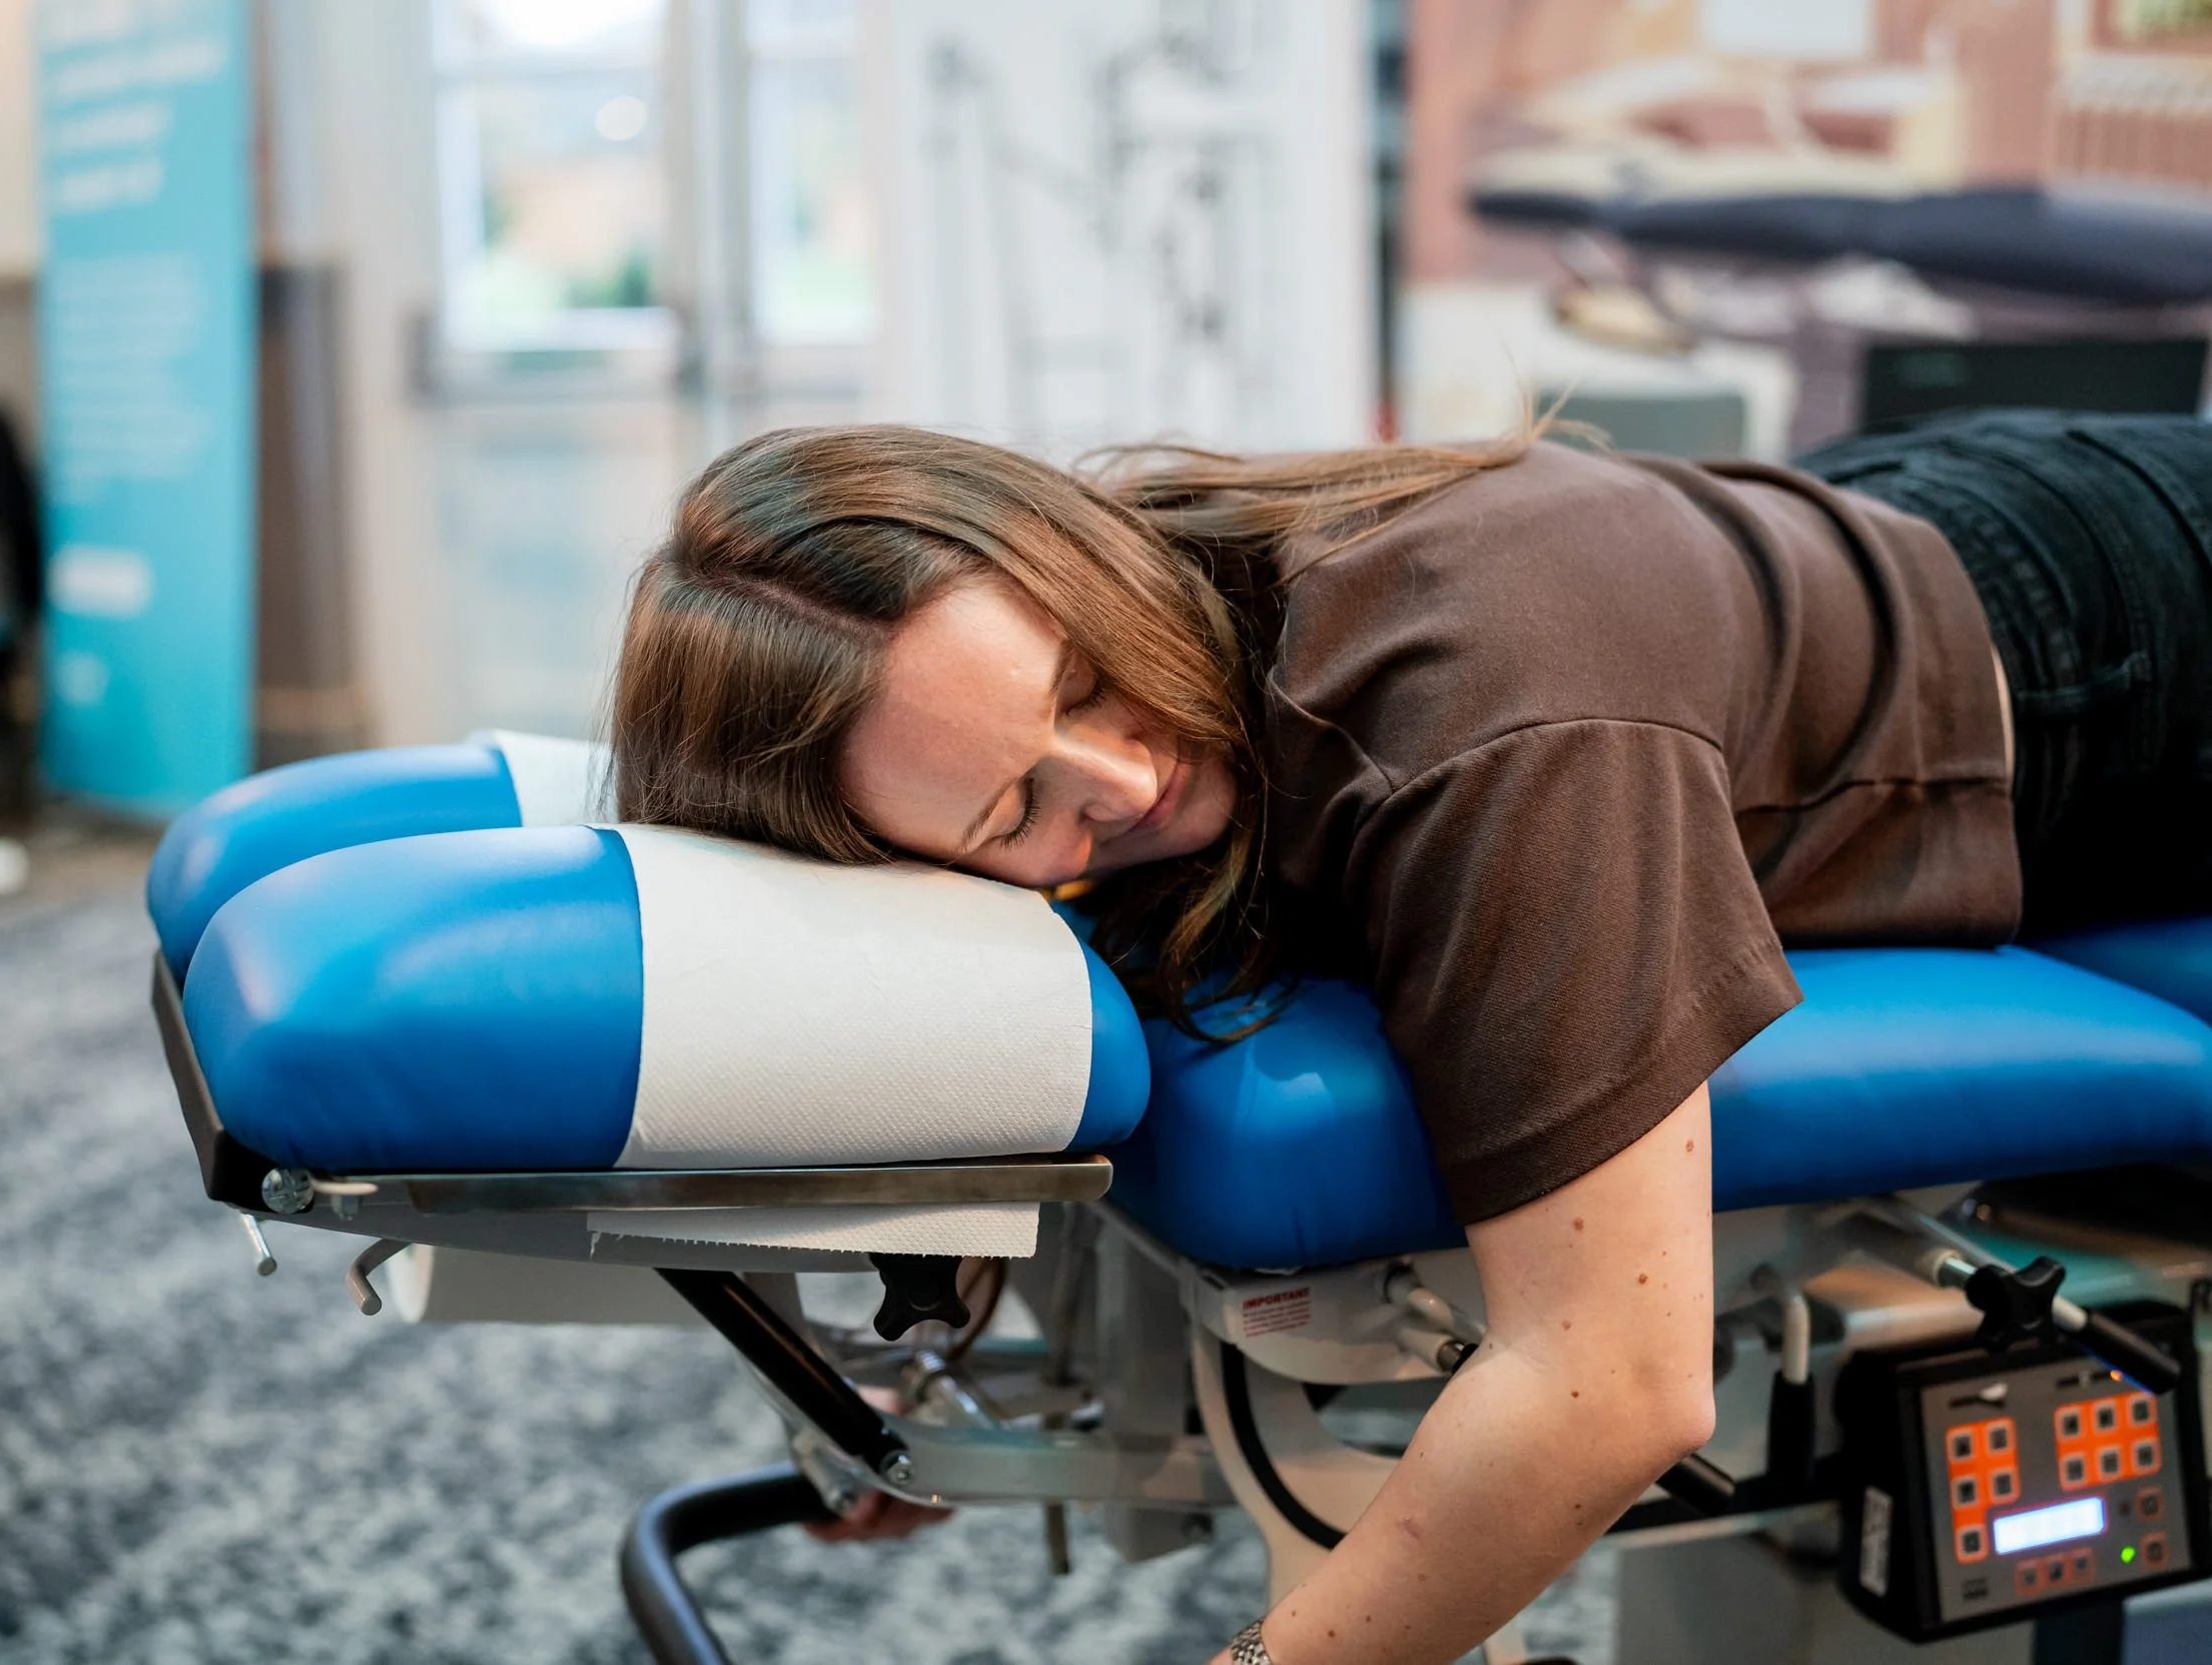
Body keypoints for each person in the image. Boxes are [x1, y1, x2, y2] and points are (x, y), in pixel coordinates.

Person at [608, 409, 2212, 1665]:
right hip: (1896, 532)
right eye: (1015, 807)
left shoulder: (1481, 717)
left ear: (1063, 550)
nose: (1121, 777)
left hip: (2131, 653)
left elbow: (1612, 1381)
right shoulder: (1148, 674)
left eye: (1087, 680)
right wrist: (915, 1366)